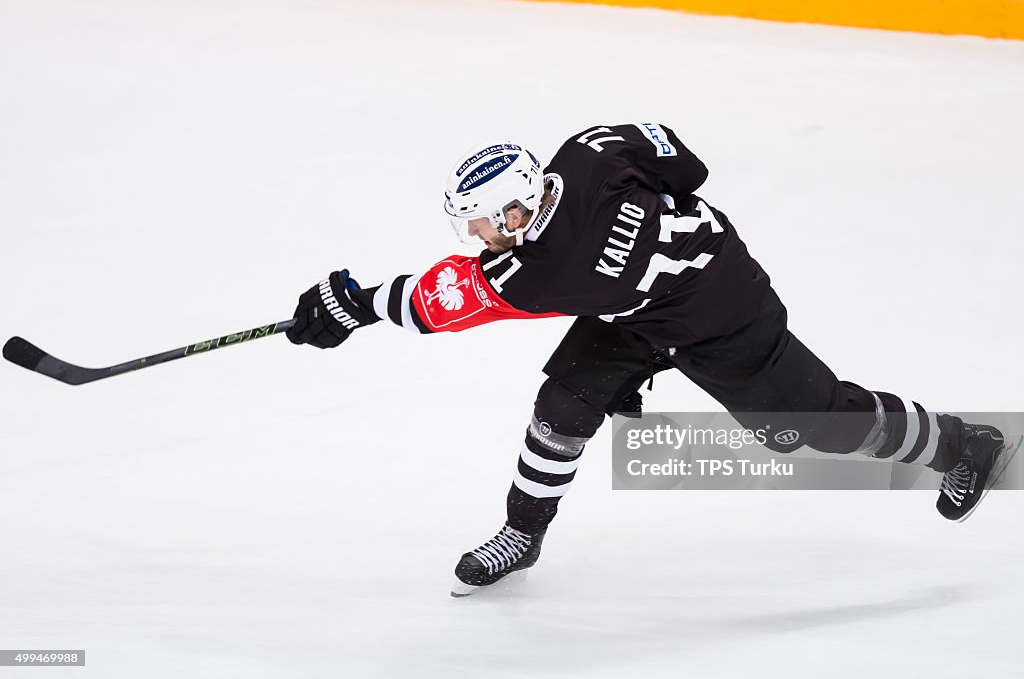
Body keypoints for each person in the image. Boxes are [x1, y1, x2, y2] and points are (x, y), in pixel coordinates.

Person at [286, 124, 1012, 596]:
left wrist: (352, 302)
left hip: (723, 314)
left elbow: (436, 302)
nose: (476, 233)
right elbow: (679, 160)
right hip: (640, 311)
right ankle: (523, 532)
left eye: (480, 221)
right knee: (562, 408)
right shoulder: (587, 152)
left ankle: (961, 443)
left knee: (812, 425)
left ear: (516, 210)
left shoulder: (540, 272)